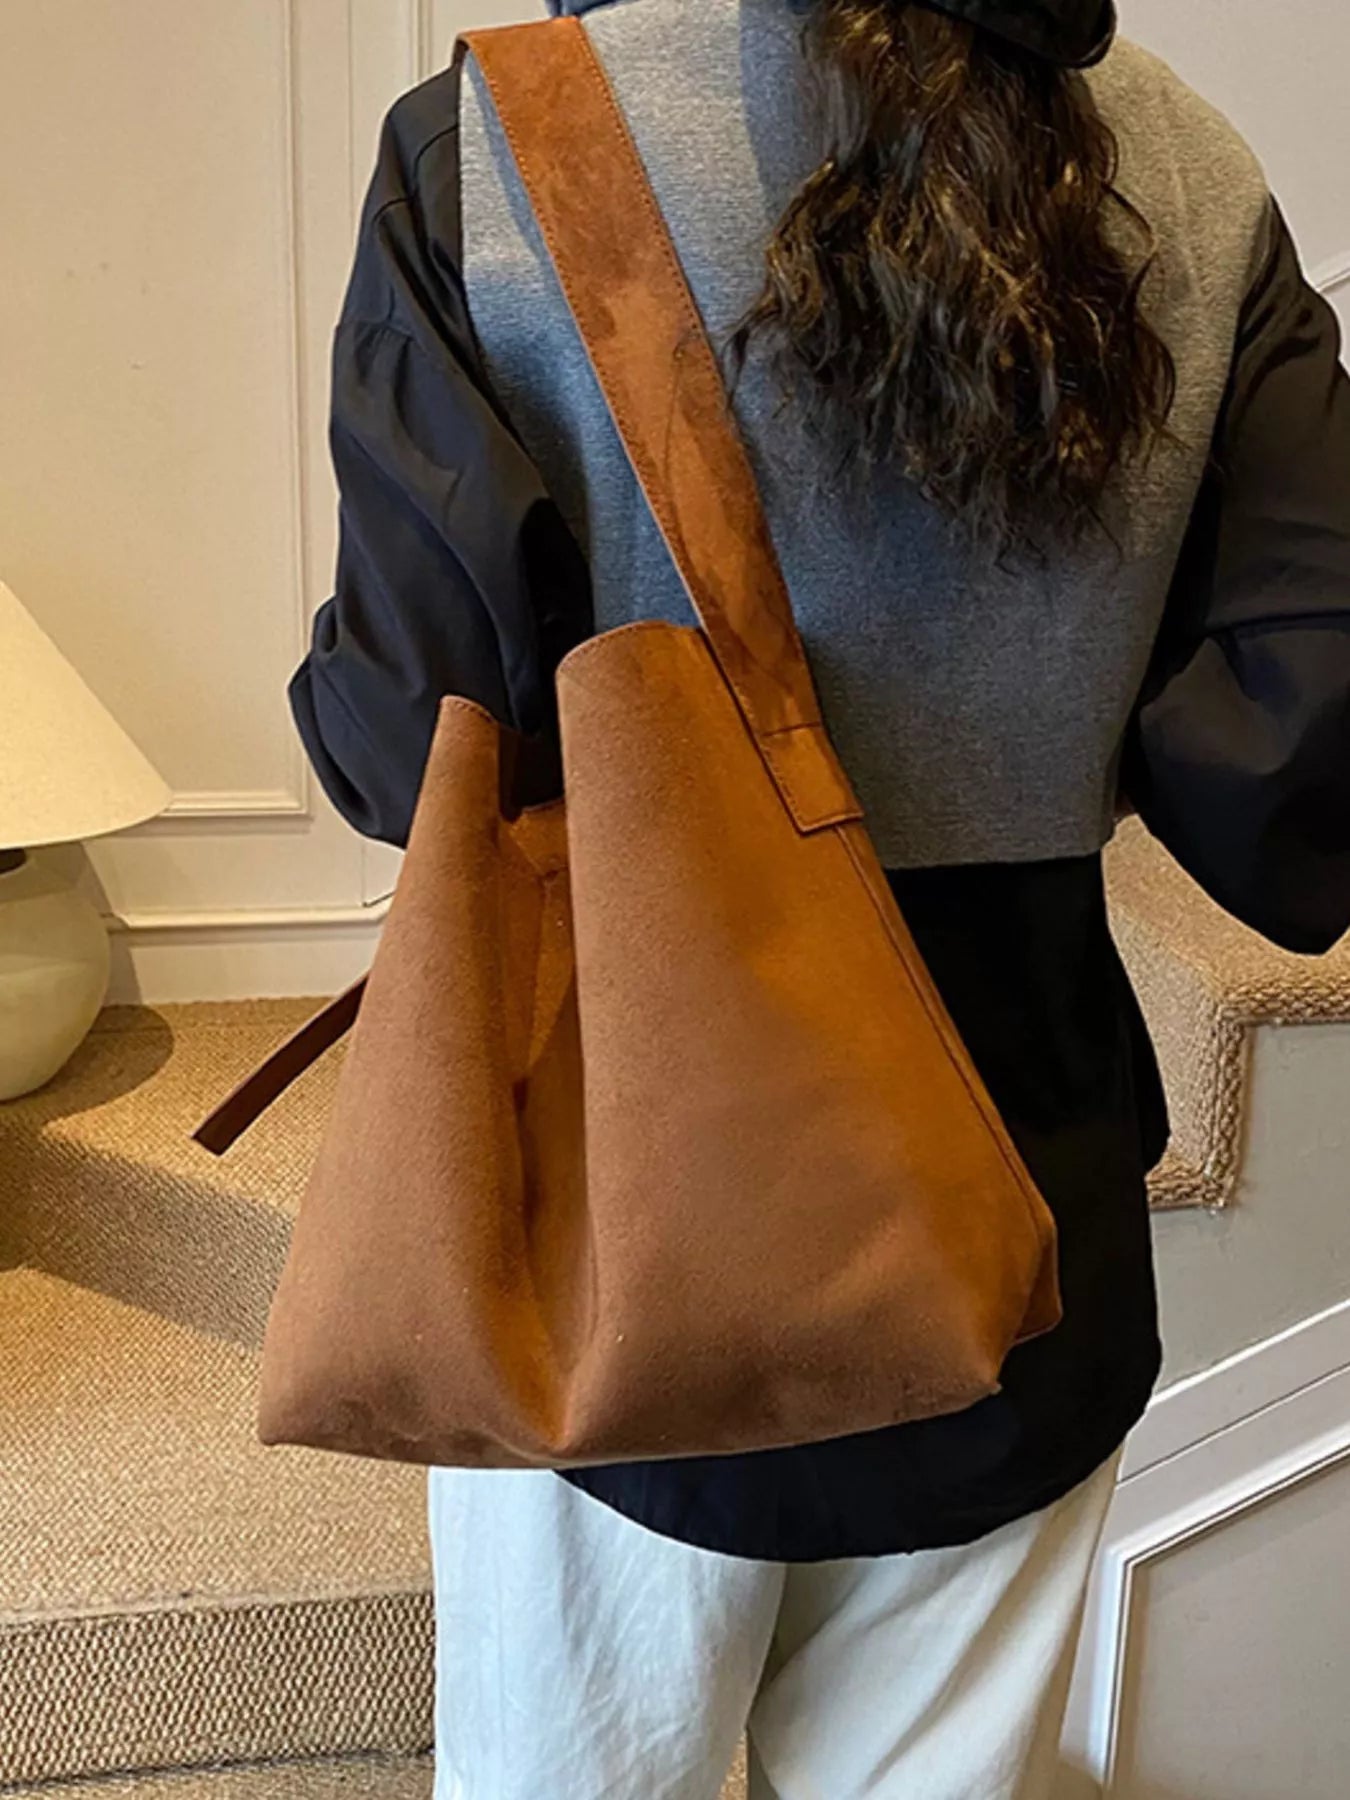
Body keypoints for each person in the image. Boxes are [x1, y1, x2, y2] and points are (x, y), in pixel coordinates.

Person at [289, 0, 1350, 1794]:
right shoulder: (1200, 172)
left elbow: (409, 741)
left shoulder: (494, 140)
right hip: (1017, 1194)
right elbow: (1284, 764)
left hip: (621, 1186)